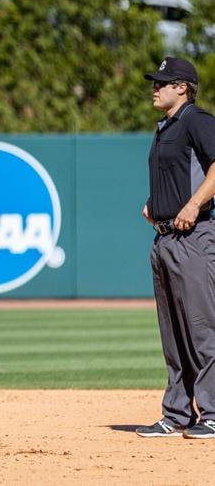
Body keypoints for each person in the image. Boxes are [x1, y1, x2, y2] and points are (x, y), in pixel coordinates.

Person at [136, 56, 215, 439]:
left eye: (162, 82)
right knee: (173, 335)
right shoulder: (165, 126)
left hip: (195, 237)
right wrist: (157, 205)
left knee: (202, 329)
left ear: (182, 87)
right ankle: (177, 412)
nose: (155, 87)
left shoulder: (196, 120)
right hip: (165, 238)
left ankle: (214, 413)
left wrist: (194, 202)